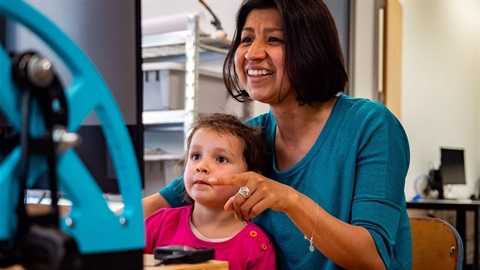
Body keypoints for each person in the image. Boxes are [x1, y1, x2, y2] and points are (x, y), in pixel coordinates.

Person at [143, 0, 412, 269]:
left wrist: (291, 200)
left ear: (312, 49)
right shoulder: (249, 138)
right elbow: (160, 203)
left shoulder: (371, 126)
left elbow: (373, 260)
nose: (253, 53)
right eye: (246, 39)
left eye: (274, 39)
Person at [144, 113, 276, 269]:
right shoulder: (157, 225)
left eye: (221, 159)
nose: (202, 166)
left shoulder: (256, 247)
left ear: (250, 179)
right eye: (195, 156)